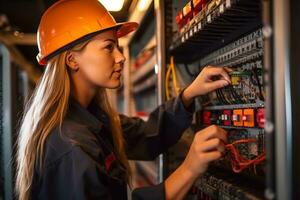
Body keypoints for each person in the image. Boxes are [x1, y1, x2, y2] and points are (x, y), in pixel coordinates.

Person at [16, 0, 231, 199]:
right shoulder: (70, 147)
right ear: (72, 60)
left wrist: (188, 94)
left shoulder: (89, 119)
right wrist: (190, 168)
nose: (121, 57)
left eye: (117, 47)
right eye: (108, 47)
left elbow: (144, 135)